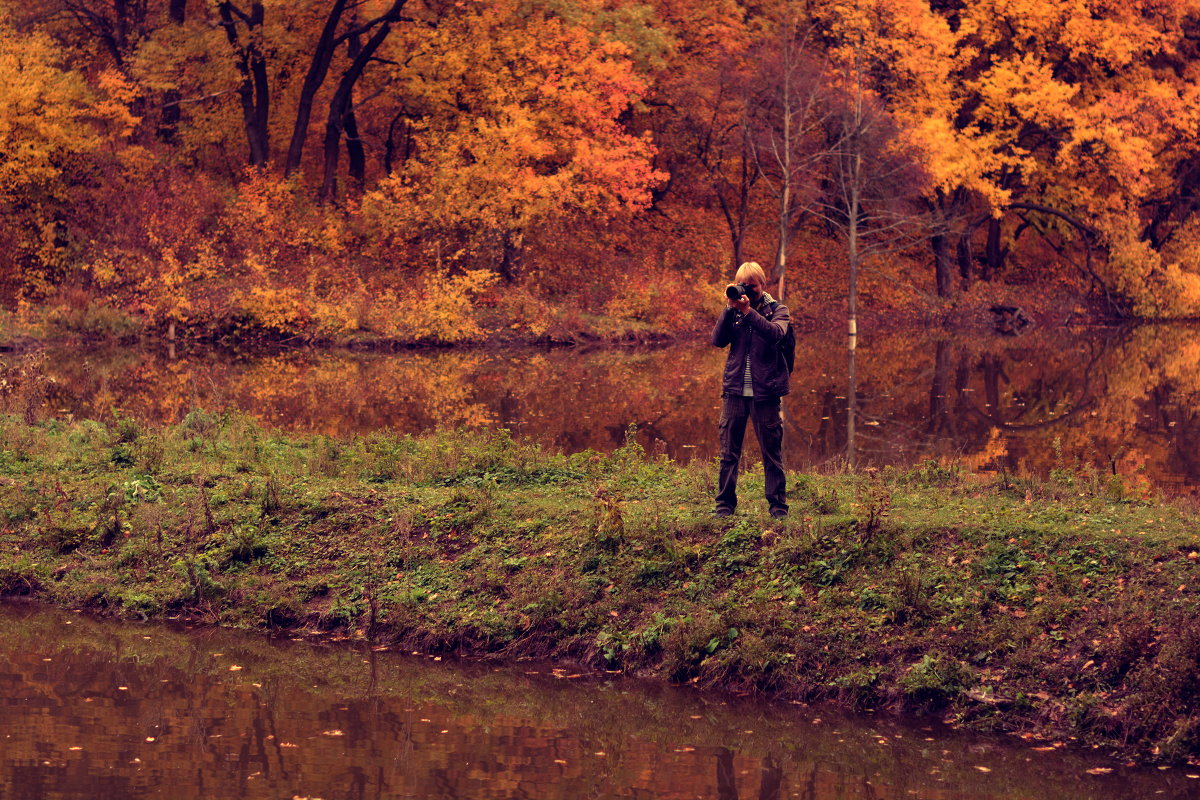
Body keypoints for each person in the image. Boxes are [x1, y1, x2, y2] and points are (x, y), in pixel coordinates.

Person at [711, 261, 789, 518]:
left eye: (752, 285)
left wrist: (747, 312)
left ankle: (778, 507)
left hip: (765, 393)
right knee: (728, 453)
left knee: (771, 453)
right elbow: (718, 341)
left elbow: (776, 333)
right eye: (743, 284)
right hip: (734, 391)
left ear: (763, 285)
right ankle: (724, 506)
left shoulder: (777, 310)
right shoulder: (733, 311)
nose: (748, 290)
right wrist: (729, 308)